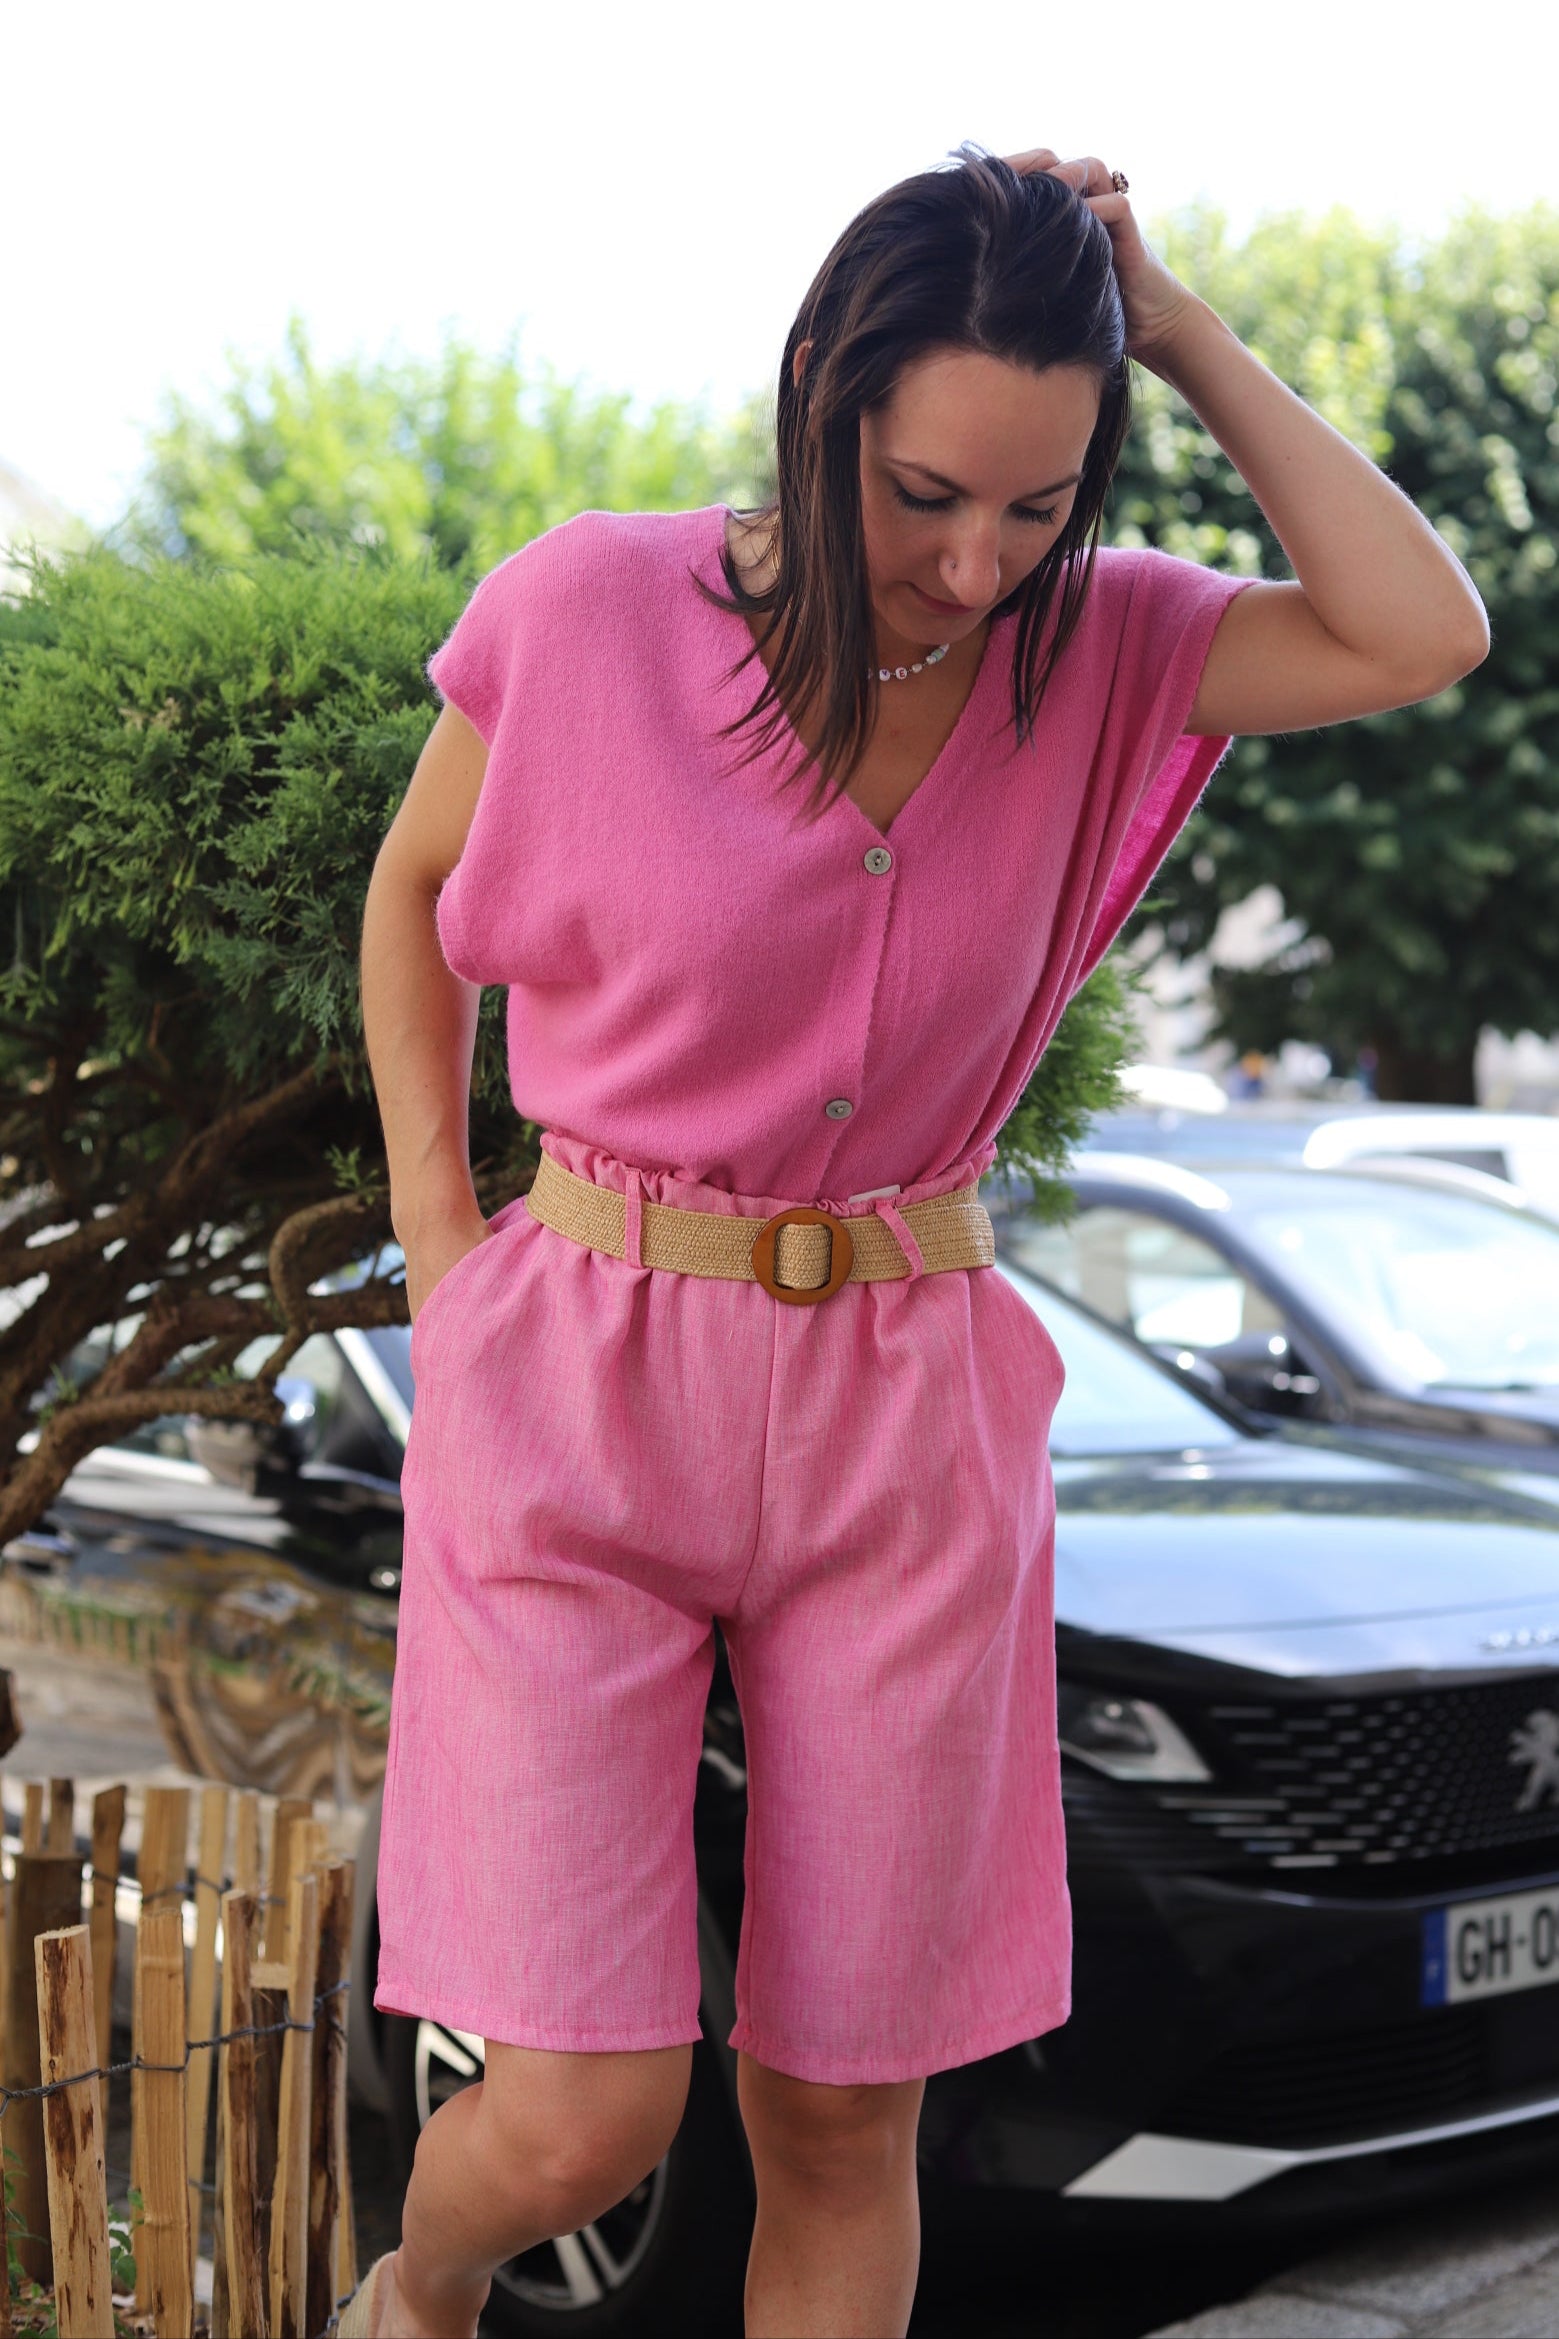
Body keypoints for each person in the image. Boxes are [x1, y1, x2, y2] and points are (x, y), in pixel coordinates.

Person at [350, 145, 1488, 2339]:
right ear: (819, 389)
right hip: (581, 1371)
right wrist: (440, 1246)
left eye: (1039, 504)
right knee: (585, 2113)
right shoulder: (588, 607)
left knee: (847, 2107)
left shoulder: (1115, 647)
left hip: (908, 1402)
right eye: (923, 493)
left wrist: (1181, 326)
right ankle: (414, 2290)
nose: (977, 562)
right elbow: (415, 894)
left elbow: (1420, 630)